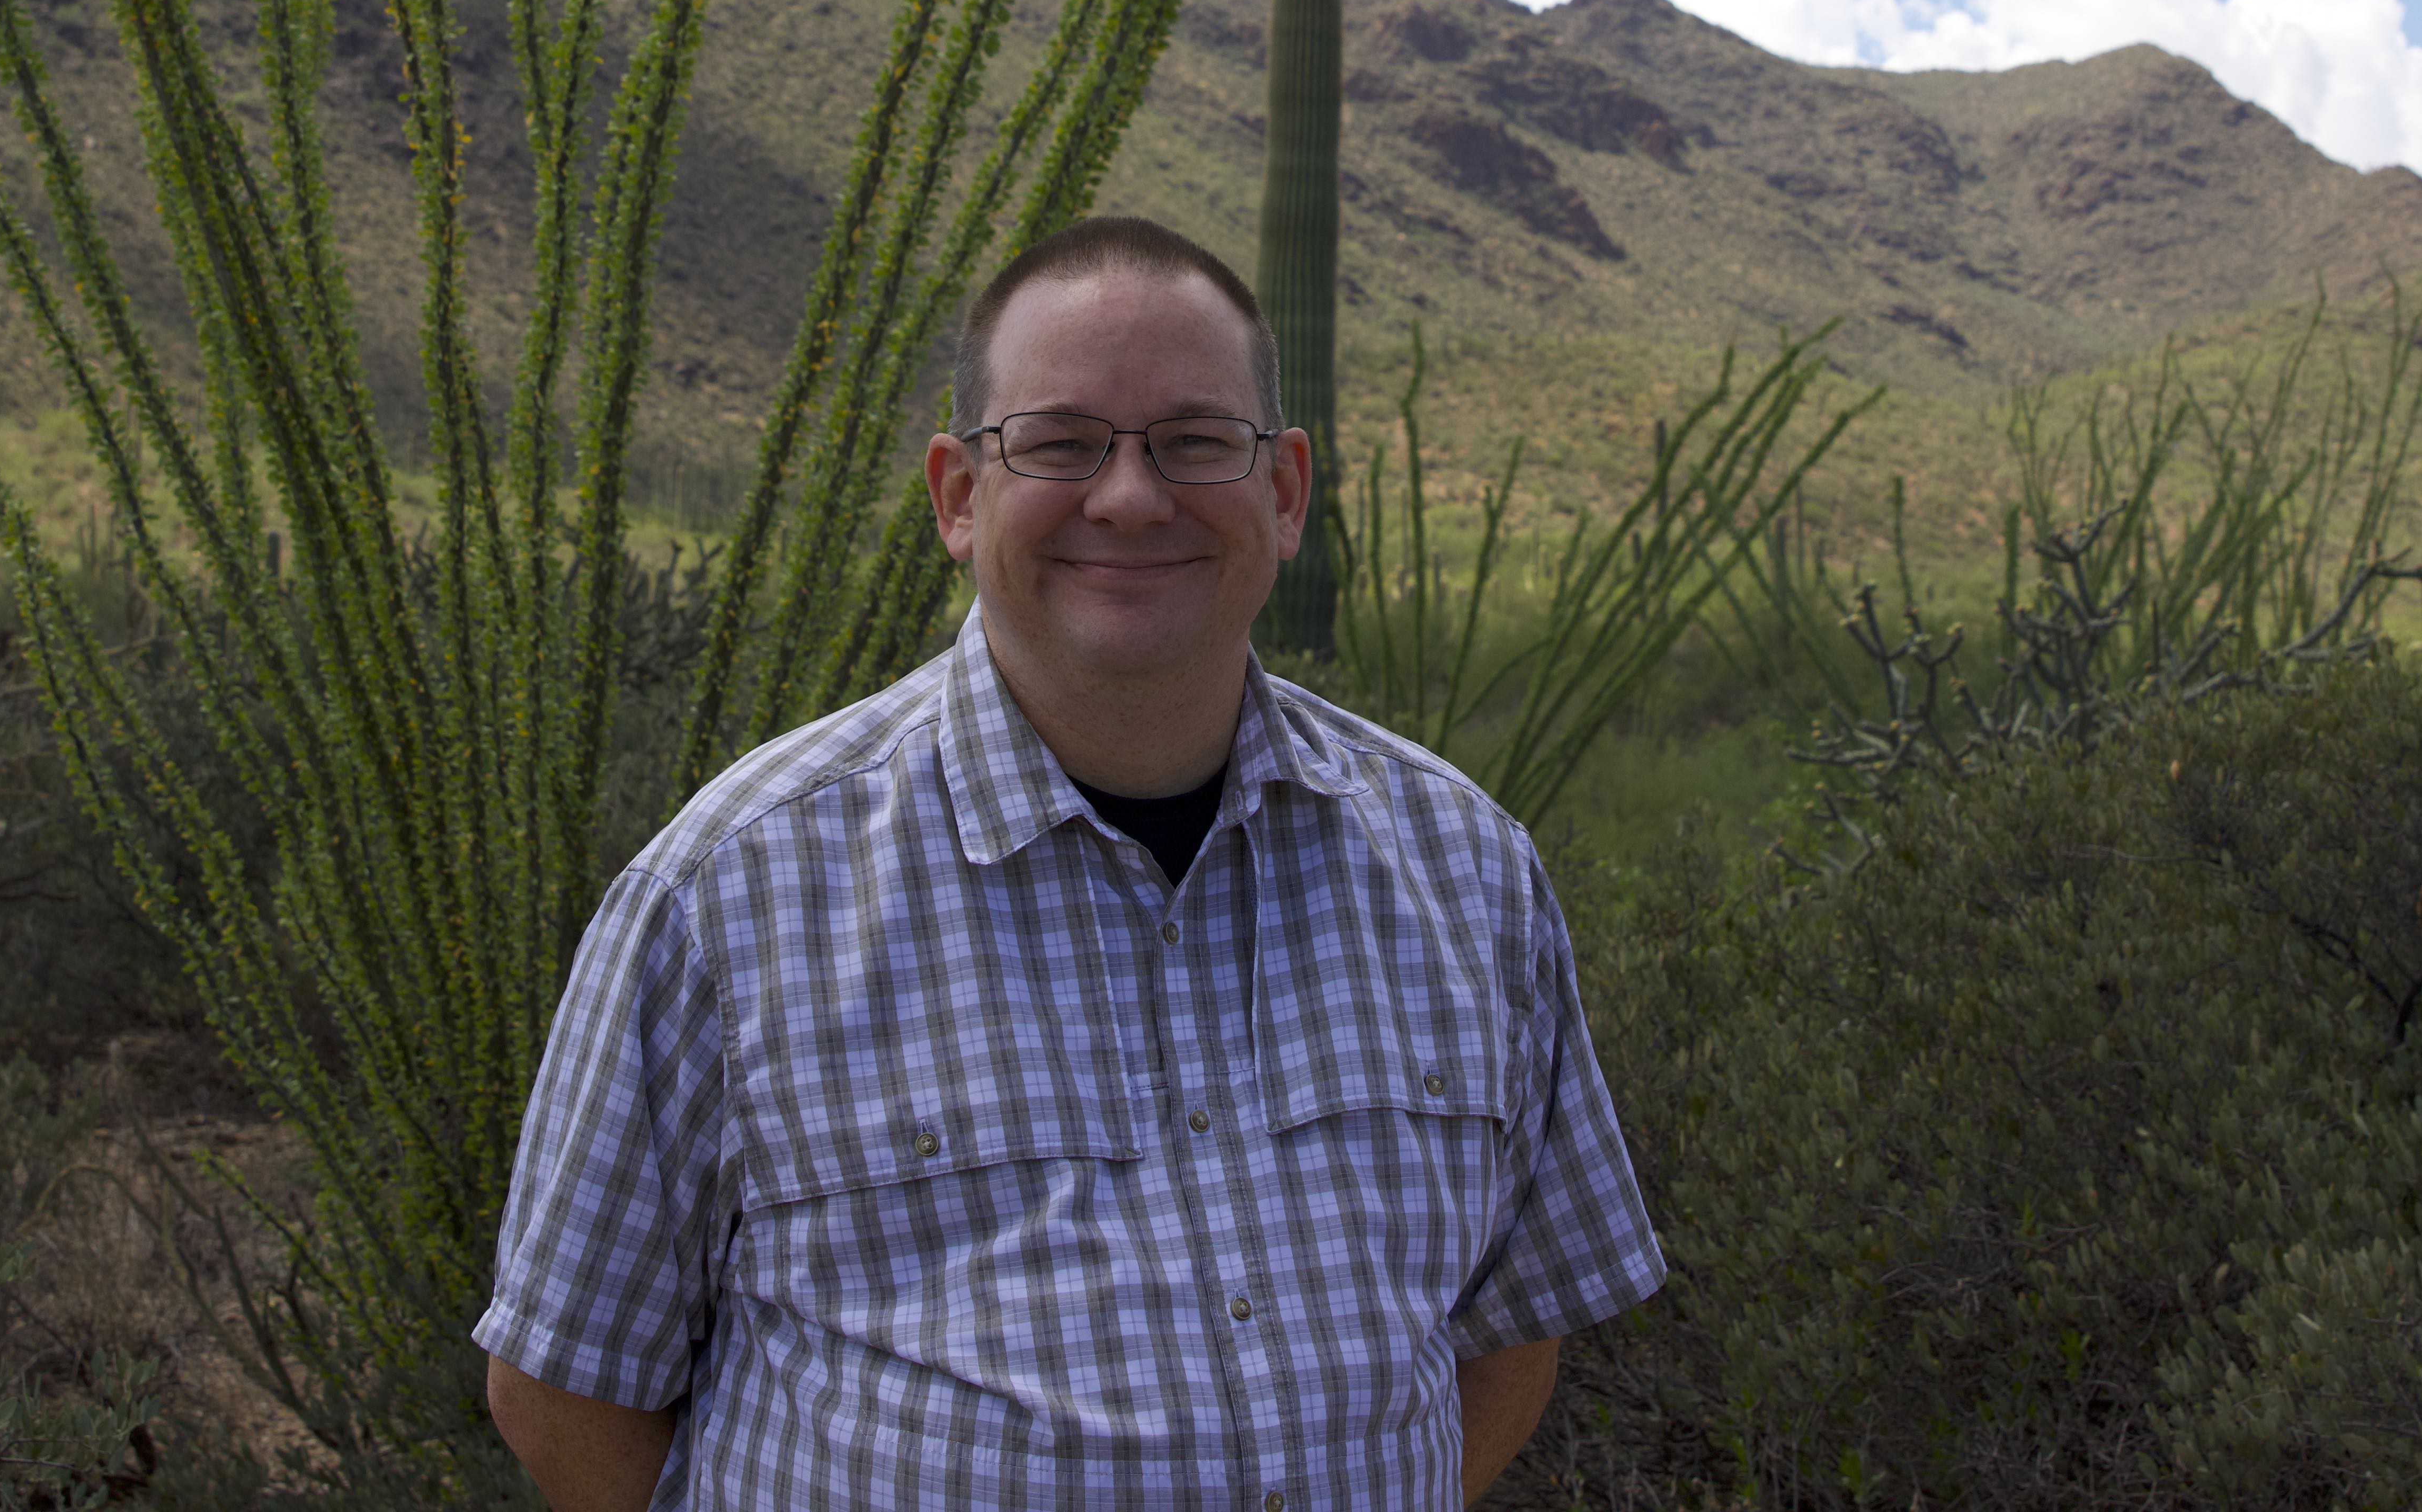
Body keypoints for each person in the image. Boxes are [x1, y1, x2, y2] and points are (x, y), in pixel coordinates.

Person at [477, 214, 1662, 1509]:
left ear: (1285, 493)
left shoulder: (1466, 870)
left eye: (1196, 441)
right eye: (1060, 442)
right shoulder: (727, 895)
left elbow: (1511, 1324)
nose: (1132, 494)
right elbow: (564, 1391)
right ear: (958, 494)